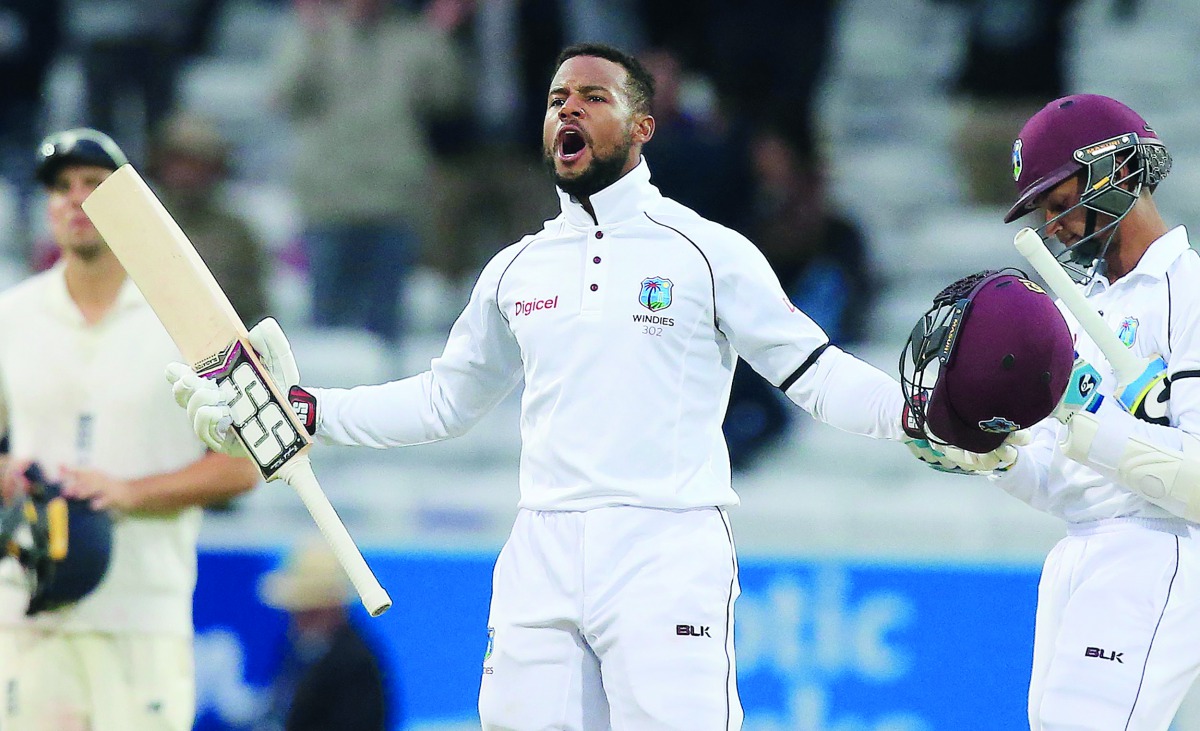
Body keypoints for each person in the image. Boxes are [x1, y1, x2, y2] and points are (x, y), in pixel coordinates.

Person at [168, 43, 1006, 729]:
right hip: (542, 546)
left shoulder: (707, 251)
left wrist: (915, 418)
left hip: (666, 546)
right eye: (556, 97)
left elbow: (814, 372)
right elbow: (442, 402)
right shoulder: (514, 269)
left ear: (642, 126)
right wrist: (312, 411)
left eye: (593, 97)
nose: (567, 108)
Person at [917, 94, 1200, 729]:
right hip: (1078, 551)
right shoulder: (1077, 310)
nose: (1056, 226)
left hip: (1159, 550)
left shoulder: (1189, 294)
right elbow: (1058, 482)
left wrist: (1089, 414)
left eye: (1059, 201)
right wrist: (992, 452)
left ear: (1119, 171)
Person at [0, 128, 260, 731]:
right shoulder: (11, 316)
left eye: (94, 185)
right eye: (61, 187)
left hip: (143, 611)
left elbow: (246, 463)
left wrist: (127, 492)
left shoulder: (196, 318)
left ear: (129, 202)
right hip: (29, 604)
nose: (74, 200)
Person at [269, 0, 467, 344]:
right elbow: (283, 95)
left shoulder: (413, 38)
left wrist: (439, 34)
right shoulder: (316, 32)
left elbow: (448, 96)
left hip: (392, 201)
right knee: (325, 330)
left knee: (386, 329)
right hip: (328, 201)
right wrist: (310, 34)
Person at [147, 111, 269, 327]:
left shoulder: (237, 234)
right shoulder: (137, 224)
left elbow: (256, 308)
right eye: (178, 162)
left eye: (198, 165)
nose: (187, 174)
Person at [253, 540, 391, 731]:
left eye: (311, 610)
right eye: (297, 611)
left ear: (334, 607)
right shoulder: (294, 650)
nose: (299, 620)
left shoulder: (355, 663)